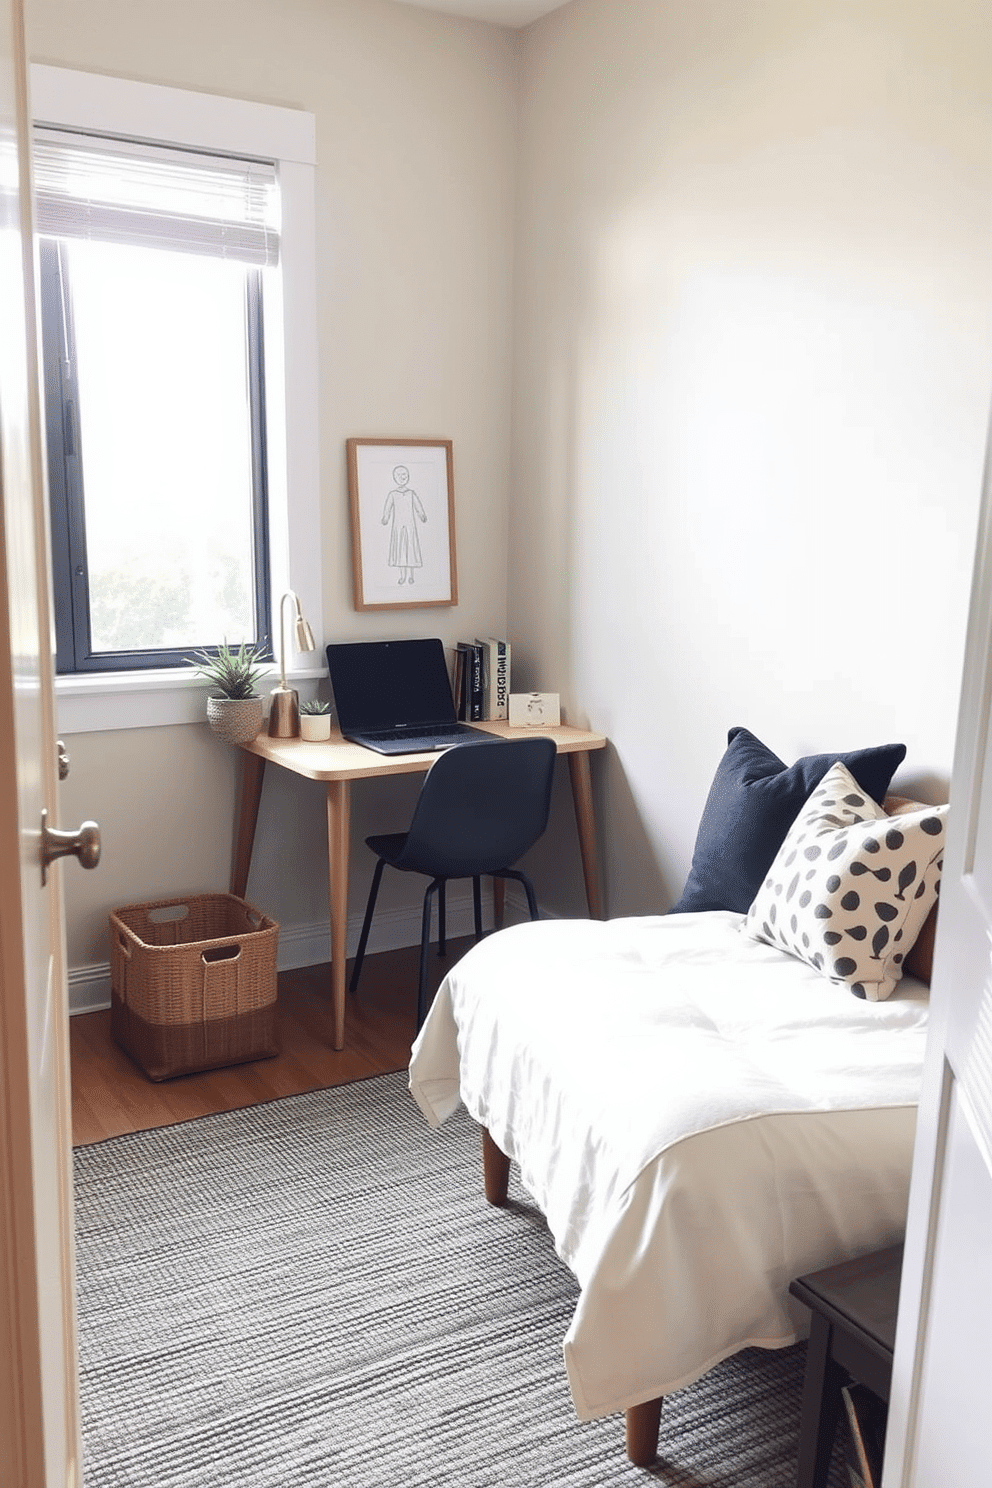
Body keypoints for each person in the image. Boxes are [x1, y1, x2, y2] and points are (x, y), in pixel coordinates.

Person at [381, 465, 427, 586]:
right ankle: (402, 576)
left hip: (410, 526)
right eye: (399, 475)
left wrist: (422, 515)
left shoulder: (411, 493)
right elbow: (387, 508)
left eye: (404, 475)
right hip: (398, 526)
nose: (402, 478)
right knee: (400, 552)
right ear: (394, 477)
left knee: (410, 549)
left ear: (408, 477)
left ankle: (411, 576)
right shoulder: (393, 494)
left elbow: (418, 506)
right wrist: (385, 518)